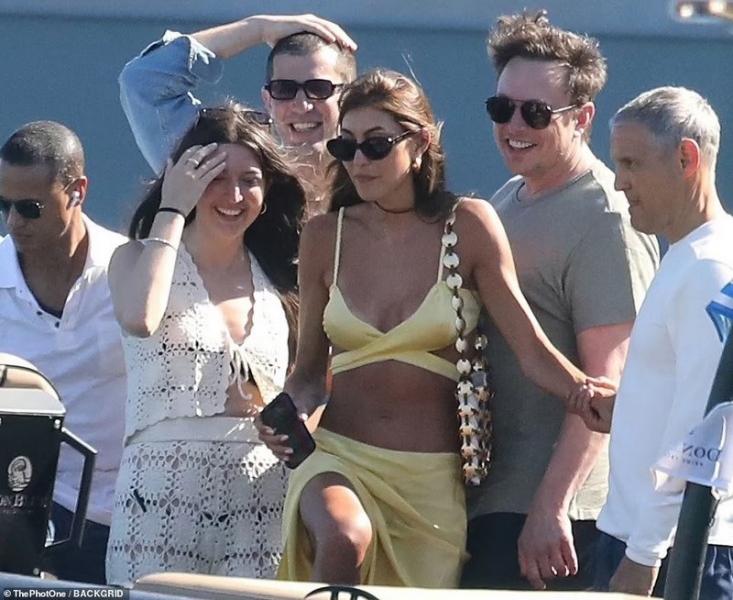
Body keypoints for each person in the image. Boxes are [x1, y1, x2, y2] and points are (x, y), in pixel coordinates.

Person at [256, 68, 615, 588]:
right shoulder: (323, 236)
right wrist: (287, 412)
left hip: (428, 487)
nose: (359, 160)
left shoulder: (467, 224)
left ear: (421, 143)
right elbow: (309, 375)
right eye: (346, 145)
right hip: (338, 458)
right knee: (344, 536)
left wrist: (585, 394)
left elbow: (531, 351)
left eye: (376, 145)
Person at [461, 12, 660, 592]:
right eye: (501, 108)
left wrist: (552, 506)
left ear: (582, 118)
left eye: (535, 113)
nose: (513, 126)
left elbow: (607, 382)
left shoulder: (604, 217)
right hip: (496, 502)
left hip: (560, 525)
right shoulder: (509, 197)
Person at [104, 100, 307, 586]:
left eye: (249, 180)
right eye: (214, 177)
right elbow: (140, 318)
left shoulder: (283, 278)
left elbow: (311, 384)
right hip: (159, 503)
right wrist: (172, 208)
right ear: (186, 177)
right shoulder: (135, 258)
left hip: (260, 503)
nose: (233, 195)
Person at [577, 86, 733, 598]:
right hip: (663, 540)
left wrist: (644, 555)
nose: (619, 181)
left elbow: (707, 428)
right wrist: (629, 409)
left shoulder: (709, 268)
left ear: (686, 159)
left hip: (677, 552)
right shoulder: (694, 257)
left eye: (631, 163)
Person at [0, 121, 128, 584]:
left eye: (29, 208)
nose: (13, 222)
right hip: (21, 511)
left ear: (78, 192)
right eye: (4, 205)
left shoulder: (132, 270)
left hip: (129, 513)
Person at [119, 13, 357, 215]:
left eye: (319, 89)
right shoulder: (231, 168)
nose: (302, 106)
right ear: (268, 100)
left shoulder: (370, 173)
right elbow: (142, 81)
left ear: (348, 97)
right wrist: (258, 28)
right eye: (284, 89)